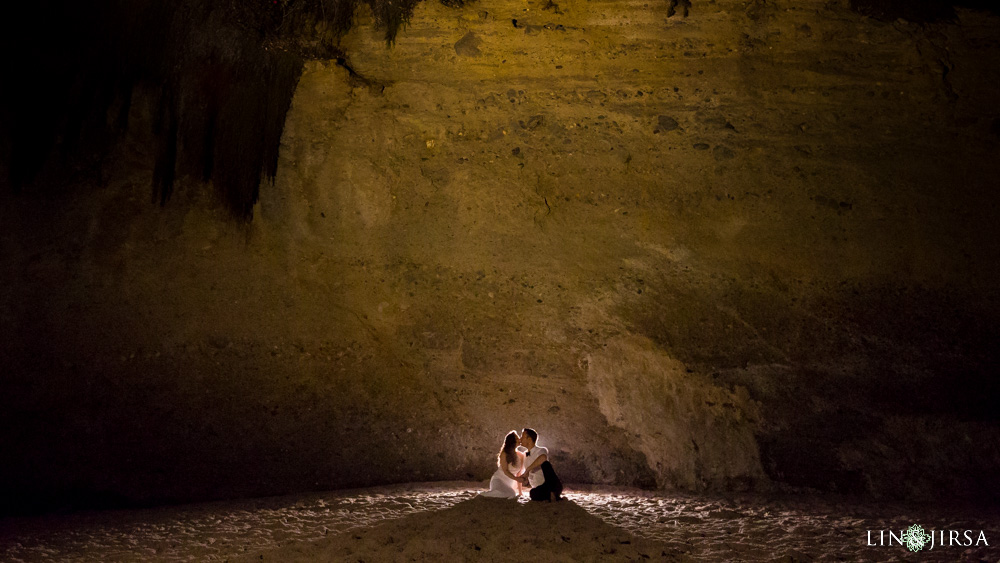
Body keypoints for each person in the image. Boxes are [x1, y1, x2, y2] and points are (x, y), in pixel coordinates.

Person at [519, 427, 563, 501]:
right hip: (541, 487)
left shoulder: (541, 450)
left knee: (545, 464)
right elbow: (529, 477)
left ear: (529, 439)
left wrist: (528, 469)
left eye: (522, 437)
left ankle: (552, 492)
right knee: (532, 493)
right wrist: (524, 478)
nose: (520, 439)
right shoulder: (524, 455)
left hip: (552, 484)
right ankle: (551, 496)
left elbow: (543, 458)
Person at [480, 430, 525, 498]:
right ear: (512, 441)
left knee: (510, 494)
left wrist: (520, 492)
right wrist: (516, 478)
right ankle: (482, 494)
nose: (519, 439)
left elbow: (519, 474)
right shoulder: (505, 453)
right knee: (510, 494)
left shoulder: (521, 456)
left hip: (509, 483)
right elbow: (505, 471)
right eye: (516, 438)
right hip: (498, 479)